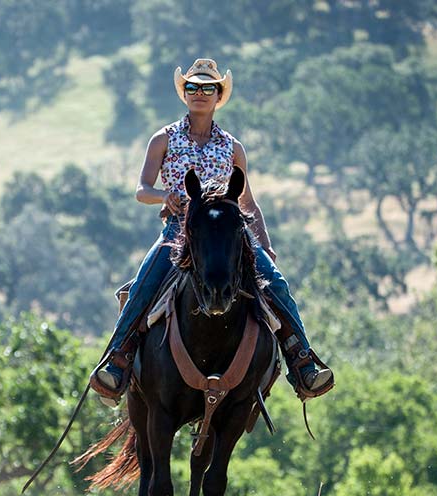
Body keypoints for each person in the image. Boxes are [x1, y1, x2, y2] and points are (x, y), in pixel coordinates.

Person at [89, 58, 334, 407]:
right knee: (145, 281)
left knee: (276, 283)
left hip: (231, 233)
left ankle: (302, 362)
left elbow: (247, 201)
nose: (199, 93)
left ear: (219, 95)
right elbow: (142, 189)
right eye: (192, 87)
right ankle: (117, 360)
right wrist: (165, 196)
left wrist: (264, 245)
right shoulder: (164, 138)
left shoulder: (233, 147)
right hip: (182, 229)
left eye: (207, 88)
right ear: (184, 93)